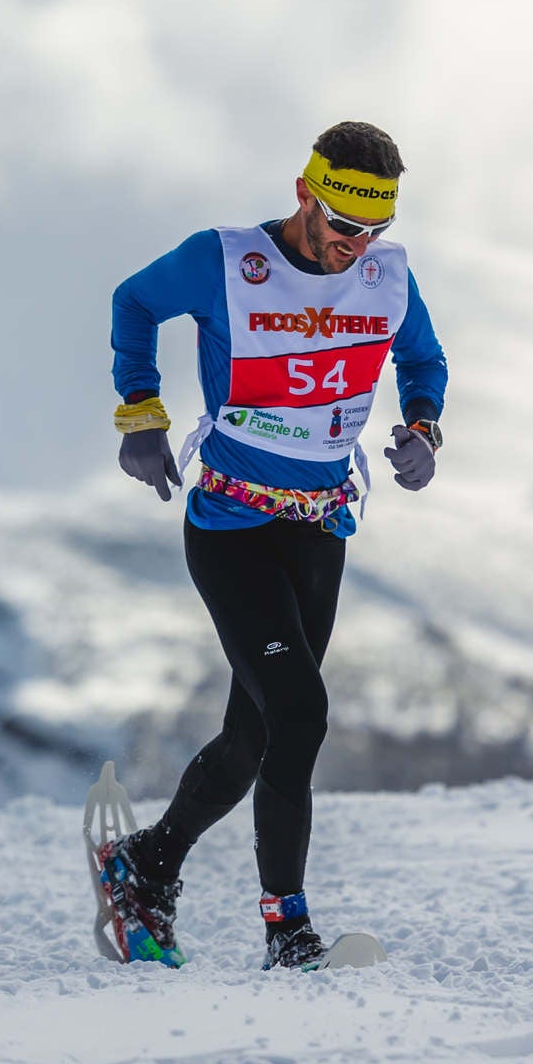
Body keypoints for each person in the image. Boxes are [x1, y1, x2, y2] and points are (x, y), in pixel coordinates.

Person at [99, 121, 447, 970]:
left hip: (319, 526)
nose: (352, 245)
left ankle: (143, 864)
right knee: (302, 711)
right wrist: (140, 409)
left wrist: (426, 430)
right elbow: (134, 302)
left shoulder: (385, 277)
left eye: (372, 230)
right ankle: (286, 932)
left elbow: (424, 358)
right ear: (305, 192)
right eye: (339, 223)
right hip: (231, 527)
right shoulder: (224, 261)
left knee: (257, 737)